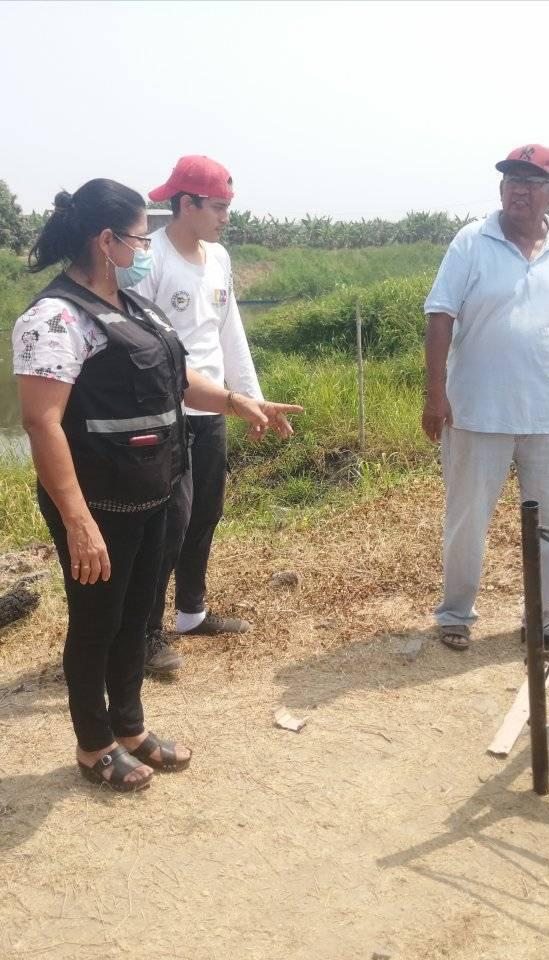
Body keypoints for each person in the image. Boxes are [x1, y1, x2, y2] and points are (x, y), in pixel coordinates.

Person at [13, 178, 301, 791]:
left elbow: (179, 378)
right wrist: (77, 520)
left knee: (136, 617)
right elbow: (42, 424)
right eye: (141, 239)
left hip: (155, 491)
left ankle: (130, 728)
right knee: (97, 622)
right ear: (107, 240)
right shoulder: (54, 318)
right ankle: (93, 745)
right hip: (97, 503)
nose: (147, 249)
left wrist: (237, 401)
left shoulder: (134, 306)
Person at [421, 144, 549, 651]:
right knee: (467, 518)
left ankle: (548, 617)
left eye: (531, 182)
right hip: (476, 412)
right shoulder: (471, 242)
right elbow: (440, 316)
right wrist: (434, 394)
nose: (518, 190)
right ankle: (455, 614)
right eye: (511, 180)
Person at [132, 155, 263, 675]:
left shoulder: (219, 258)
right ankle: (144, 633)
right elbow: (139, 345)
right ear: (186, 204)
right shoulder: (150, 260)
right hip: (166, 413)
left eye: (228, 207)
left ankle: (192, 612)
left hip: (213, 407)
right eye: (218, 207)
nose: (226, 217)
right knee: (170, 522)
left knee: (206, 510)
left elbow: (230, 332)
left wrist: (248, 399)